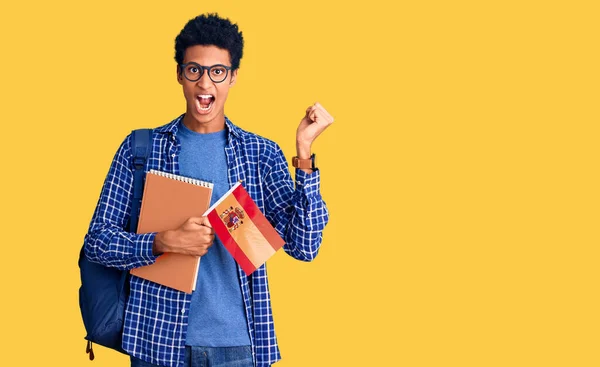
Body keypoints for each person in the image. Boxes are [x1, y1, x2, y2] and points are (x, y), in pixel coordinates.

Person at [83, 13, 333, 367]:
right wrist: (161, 242)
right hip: (157, 343)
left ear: (232, 78)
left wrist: (304, 155)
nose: (205, 84)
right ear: (179, 75)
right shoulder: (142, 148)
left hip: (238, 346)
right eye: (194, 70)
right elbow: (97, 242)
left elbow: (305, 247)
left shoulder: (260, 154)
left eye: (217, 72)